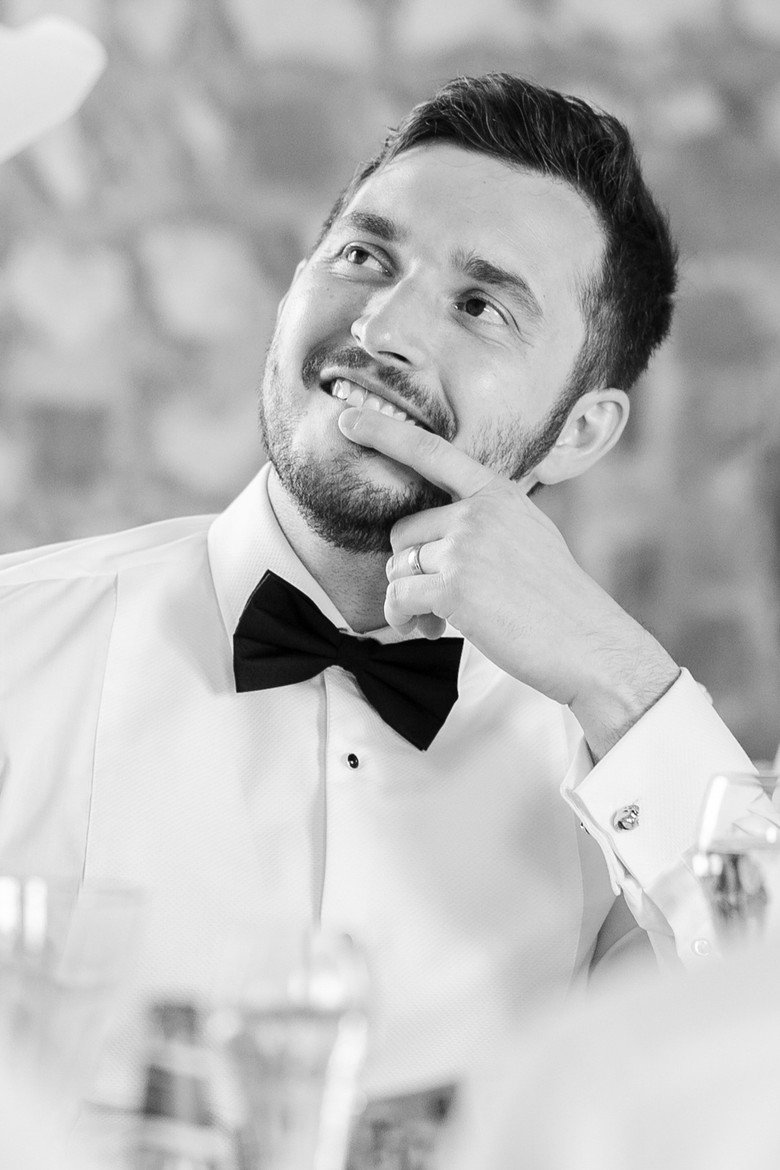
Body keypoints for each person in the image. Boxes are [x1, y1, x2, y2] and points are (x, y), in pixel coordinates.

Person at [0, 73, 754, 1113]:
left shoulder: (627, 789)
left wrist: (623, 681)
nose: (383, 328)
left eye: (481, 306)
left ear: (581, 432)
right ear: (293, 288)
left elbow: (752, 1067)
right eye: (364, 257)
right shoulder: (18, 647)